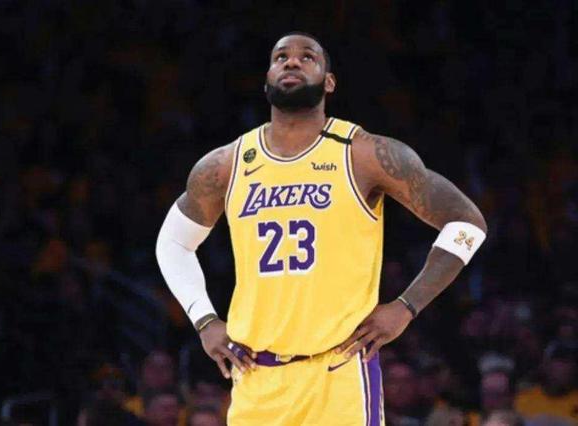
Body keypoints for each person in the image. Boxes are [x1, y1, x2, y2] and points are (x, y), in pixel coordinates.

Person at [156, 31, 487, 425]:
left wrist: (406, 307)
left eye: (307, 56)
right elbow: (173, 243)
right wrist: (205, 319)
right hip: (256, 380)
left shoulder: (364, 153)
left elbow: (467, 222)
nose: (292, 61)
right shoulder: (227, 164)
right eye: (280, 57)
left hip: (338, 373)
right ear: (266, 81)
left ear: (329, 82)